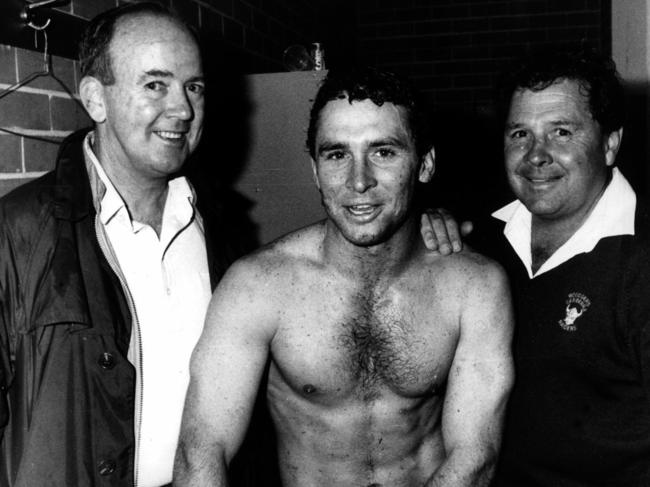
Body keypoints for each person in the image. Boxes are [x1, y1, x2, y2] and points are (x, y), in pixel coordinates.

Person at [174, 67, 515, 486]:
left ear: (424, 164)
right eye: (337, 154)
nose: (358, 181)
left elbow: (475, 457)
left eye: (383, 152)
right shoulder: (258, 286)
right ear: (316, 169)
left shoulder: (473, 287)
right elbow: (202, 451)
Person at [0, 3, 239, 486]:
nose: (183, 109)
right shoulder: (21, 229)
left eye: (194, 86)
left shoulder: (221, 224)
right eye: (155, 84)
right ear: (95, 99)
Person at [424, 48, 650, 486]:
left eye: (561, 132)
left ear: (609, 144)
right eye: (519, 134)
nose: (536, 155)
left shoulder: (642, 260)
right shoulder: (478, 242)